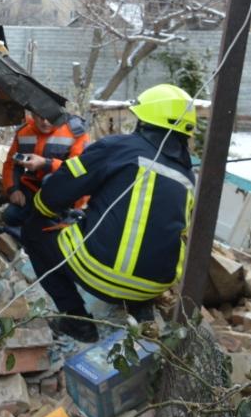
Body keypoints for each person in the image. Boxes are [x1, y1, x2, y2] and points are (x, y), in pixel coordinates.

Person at [20, 84, 198, 343]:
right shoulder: (188, 178)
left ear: (144, 120)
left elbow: (62, 186)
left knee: (33, 232)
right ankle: (139, 310)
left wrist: (40, 209)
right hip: (153, 286)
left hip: (99, 273)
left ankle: (76, 320)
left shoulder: (120, 148)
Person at [1, 111, 89, 227]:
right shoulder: (24, 131)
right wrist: (13, 190)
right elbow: (11, 164)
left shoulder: (76, 133)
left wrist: (46, 164)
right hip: (33, 191)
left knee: (49, 179)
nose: (45, 122)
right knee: (10, 216)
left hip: (63, 197)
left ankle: (55, 220)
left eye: (50, 117)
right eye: (41, 116)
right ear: (32, 114)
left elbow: (80, 171)